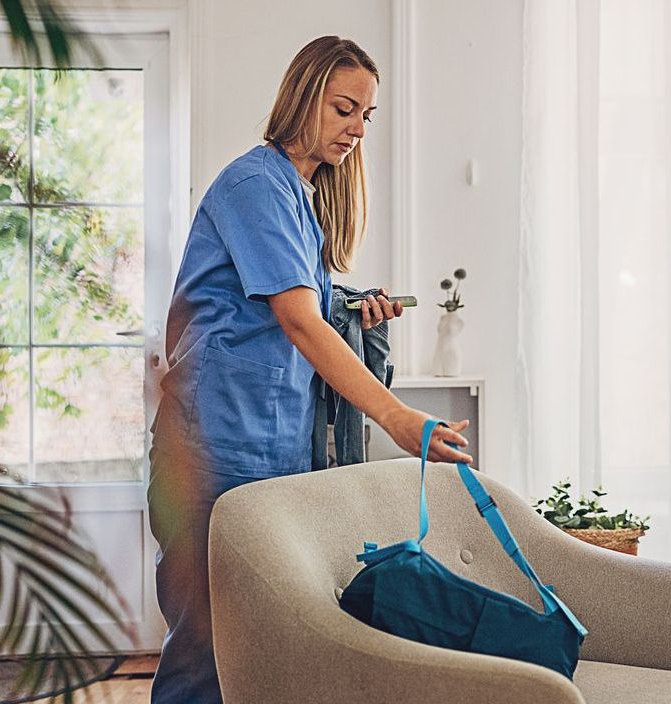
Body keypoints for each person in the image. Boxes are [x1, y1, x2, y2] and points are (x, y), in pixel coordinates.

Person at [146, 36, 473, 704]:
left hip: (271, 451)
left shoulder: (300, 198)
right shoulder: (254, 186)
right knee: (204, 649)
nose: (357, 129)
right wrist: (396, 417)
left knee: (259, 644)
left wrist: (357, 313)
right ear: (303, 98)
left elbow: (302, 316)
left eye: (366, 115)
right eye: (344, 109)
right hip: (210, 448)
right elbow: (297, 322)